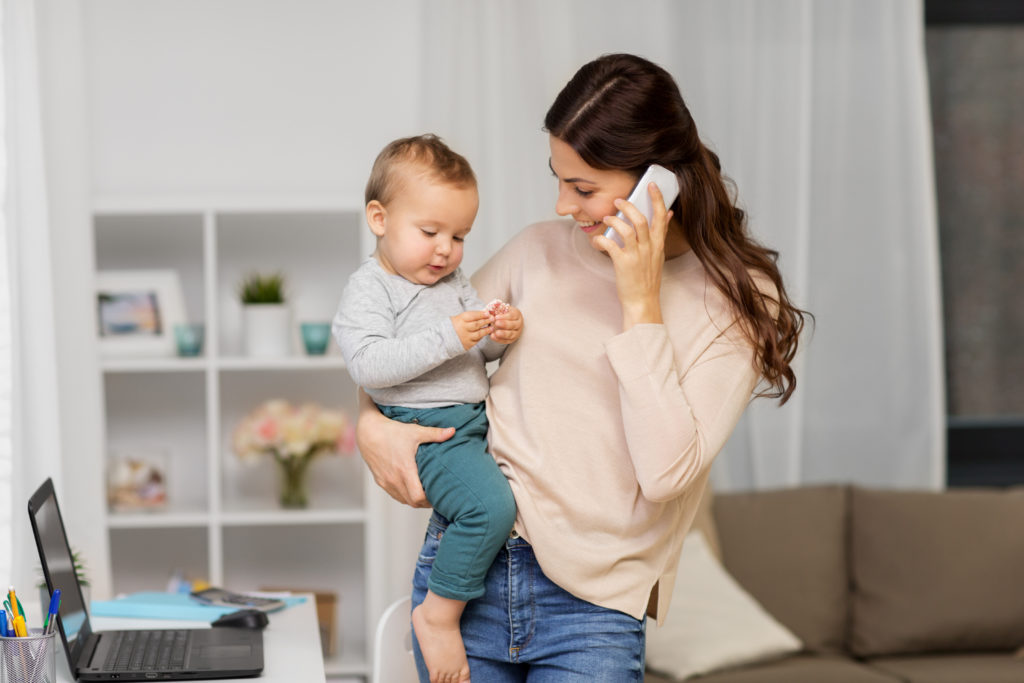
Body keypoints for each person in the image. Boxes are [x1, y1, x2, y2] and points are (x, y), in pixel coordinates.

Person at [356, 54, 808, 681]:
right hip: (468, 579)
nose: (563, 205)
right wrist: (369, 425)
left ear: (661, 179)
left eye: (584, 187)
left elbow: (665, 473)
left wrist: (640, 298)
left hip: (595, 611)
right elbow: (406, 348)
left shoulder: (740, 300)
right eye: (559, 179)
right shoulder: (535, 252)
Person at [333, 134, 523, 683]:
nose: (446, 250)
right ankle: (438, 616)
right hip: (429, 430)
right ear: (379, 218)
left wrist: (501, 334)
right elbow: (369, 365)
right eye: (430, 232)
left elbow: (479, 351)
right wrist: (450, 337)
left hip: (471, 419)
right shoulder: (371, 289)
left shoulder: (454, 281)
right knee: (488, 510)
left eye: (460, 235)